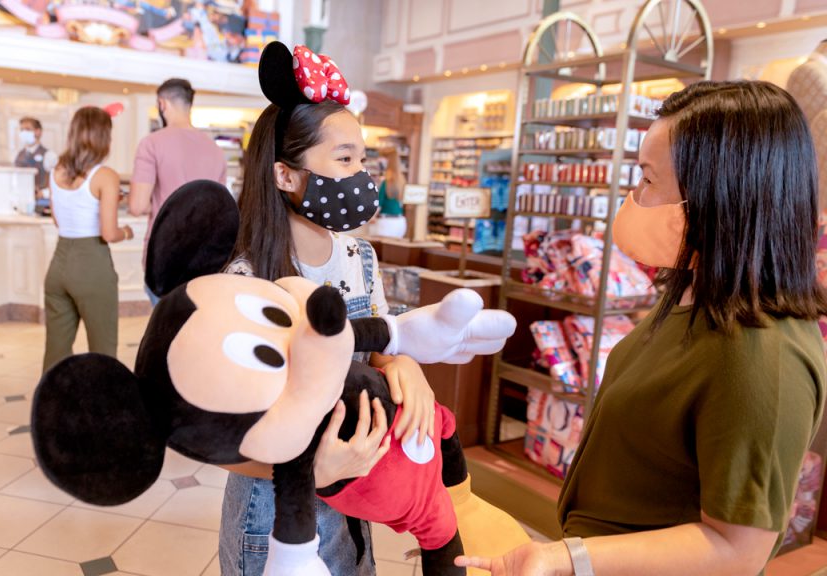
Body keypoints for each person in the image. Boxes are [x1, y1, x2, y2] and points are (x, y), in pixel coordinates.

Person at [458, 81, 827, 576]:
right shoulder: (697, 291)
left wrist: (567, 557)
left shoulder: (763, 355)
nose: (635, 198)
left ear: (719, 194)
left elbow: (737, 550)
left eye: (649, 181)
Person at [218, 51, 438, 575]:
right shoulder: (245, 281)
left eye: (363, 160)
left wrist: (404, 365)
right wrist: (307, 471)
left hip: (357, 496)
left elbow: (381, 345)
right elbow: (216, 436)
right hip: (273, 509)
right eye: (344, 160)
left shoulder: (361, 258)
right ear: (286, 176)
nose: (361, 176)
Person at [42, 106, 135, 373]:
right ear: (103, 137)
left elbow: (58, 220)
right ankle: (103, 412)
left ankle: (51, 410)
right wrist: (127, 231)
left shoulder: (57, 170)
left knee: (56, 351)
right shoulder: (106, 176)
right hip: (91, 265)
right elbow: (109, 233)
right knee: (103, 350)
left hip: (58, 265)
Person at [128, 78, 227, 306]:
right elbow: (220, 210)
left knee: (164, 330)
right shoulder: (214, 150)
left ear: (162, 104)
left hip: (165, 254)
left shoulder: (151, 143)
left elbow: (137, 206)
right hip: (206, 255)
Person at [15, 116, 58, 198]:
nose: (24, 133)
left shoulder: (49, 155)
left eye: (27, 129)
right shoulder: (18, 155)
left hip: (41, 202)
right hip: (20, 198)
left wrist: (44, 193)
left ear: (38, 131)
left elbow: (58, 181)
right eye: (22, 130)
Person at [372, 146, 407, 238]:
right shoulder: (401, 179)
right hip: (400, 222)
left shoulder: (386, 181)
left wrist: (371, 218)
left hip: (386, 224)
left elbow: (378, 205)